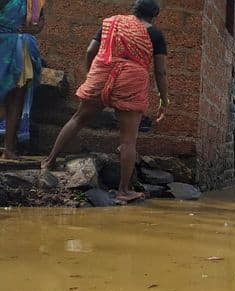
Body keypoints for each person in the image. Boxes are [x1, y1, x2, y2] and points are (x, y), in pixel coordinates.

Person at [41, 0, 168, 202]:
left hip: (103, 72)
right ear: (154, 15)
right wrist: (164, 99)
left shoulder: (113, 23)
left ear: (133, 10)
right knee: (128, 140)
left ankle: (48, 161)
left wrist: (91, 72)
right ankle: (123, 191)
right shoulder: (156, 34)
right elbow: (160, 71)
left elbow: (90, 51)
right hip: (132, 80)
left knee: (78, 119)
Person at [0, 0, 45, 160]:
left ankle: (9, 149)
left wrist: (32, 29)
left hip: (22, 48)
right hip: (4, 46)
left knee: (17, 98)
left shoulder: (33, 1)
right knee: (8, 100)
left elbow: (40, 22)